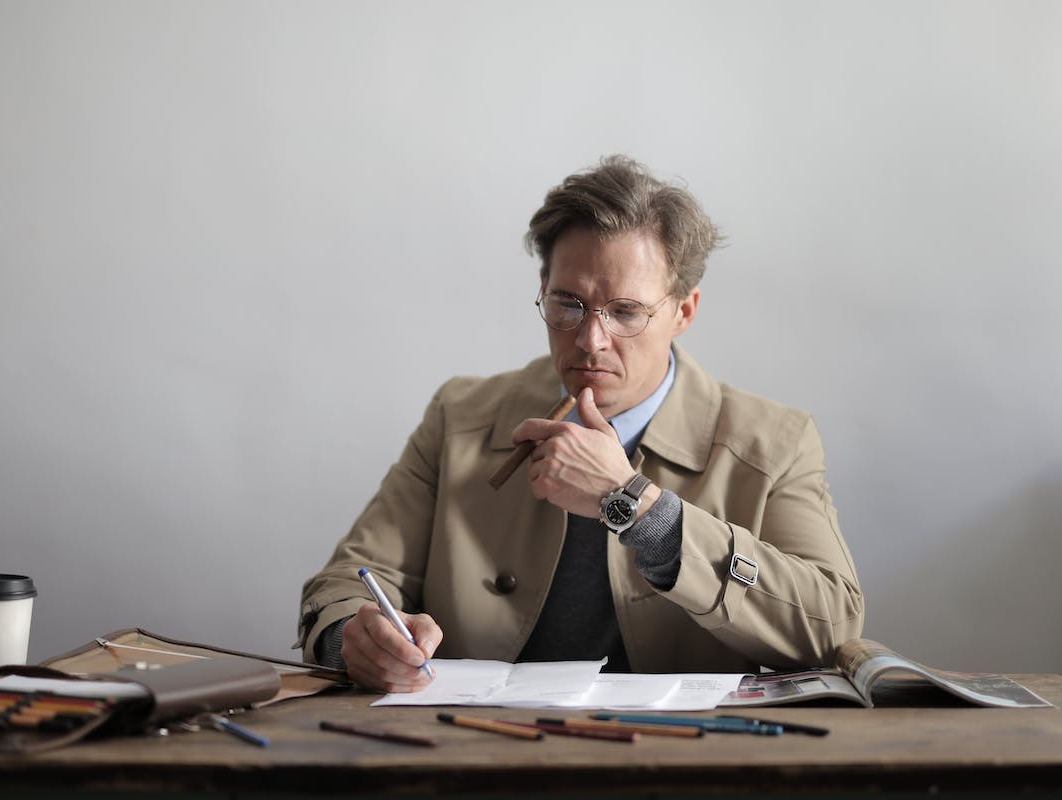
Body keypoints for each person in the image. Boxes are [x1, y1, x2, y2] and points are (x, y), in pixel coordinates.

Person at [297, 155, 864, 692]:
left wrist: (634, 504)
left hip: (680, 760)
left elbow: (832, 626)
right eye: (567, 304)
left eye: (625, 312)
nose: (591, 342)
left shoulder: (774, 441)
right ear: (543, 292)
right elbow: (348, 580)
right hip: (473, 749)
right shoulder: (460, 416)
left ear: (684, 311)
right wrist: (353, 640)